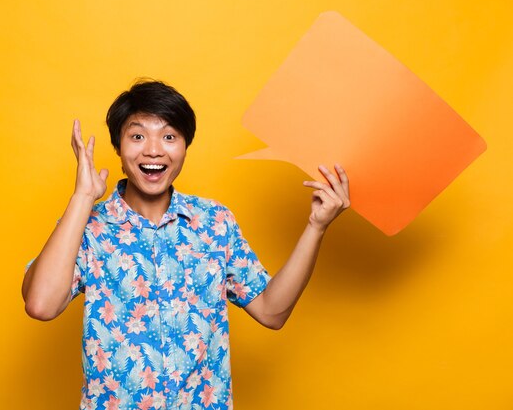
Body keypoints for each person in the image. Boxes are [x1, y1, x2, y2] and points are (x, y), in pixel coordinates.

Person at [22, 80, 350, 410]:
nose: (153, 149)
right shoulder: (88, 225)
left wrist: (316, 226)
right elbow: (41, 305)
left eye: (169, 136)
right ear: (118, 148)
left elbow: (271, 311)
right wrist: (82, 198)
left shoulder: (215, 223)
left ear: (184, 147)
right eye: (137, 136)